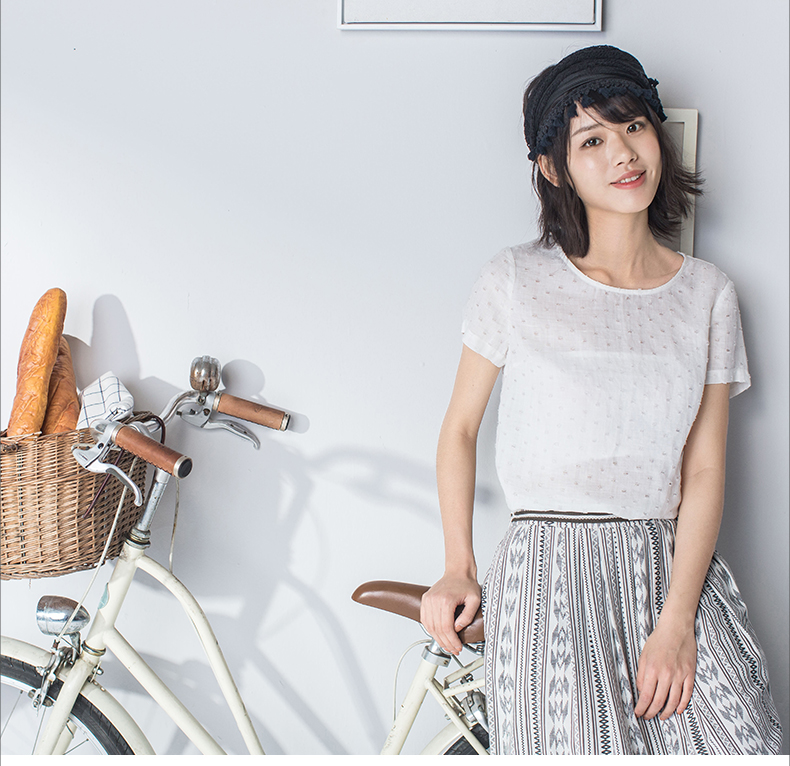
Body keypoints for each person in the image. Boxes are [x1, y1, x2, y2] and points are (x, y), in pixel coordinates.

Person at [420, 45, 782, 755]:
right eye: (591, 140)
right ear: (554, 168)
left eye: (634, 126)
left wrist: (676, 624)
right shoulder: (516, 280)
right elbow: (459, 430)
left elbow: (705, 469)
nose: (623, 153)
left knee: (745, 742)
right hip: (549, 572)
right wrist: (459, 563)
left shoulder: (707, 293)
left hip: (671, 568)